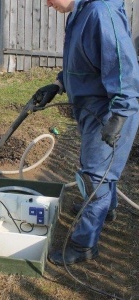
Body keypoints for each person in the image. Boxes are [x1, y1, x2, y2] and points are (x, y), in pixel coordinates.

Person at [33, 0, 139, 265]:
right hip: (90, 106)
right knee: (100, 170)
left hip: (109, 110)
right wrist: (58, 83)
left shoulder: (101, 12)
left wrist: (120, 114)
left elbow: (123, 68)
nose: (47, 3)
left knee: (95, 179)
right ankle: (109, 209)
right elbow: (82, 61)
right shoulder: (80, 12)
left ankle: (83, 245)